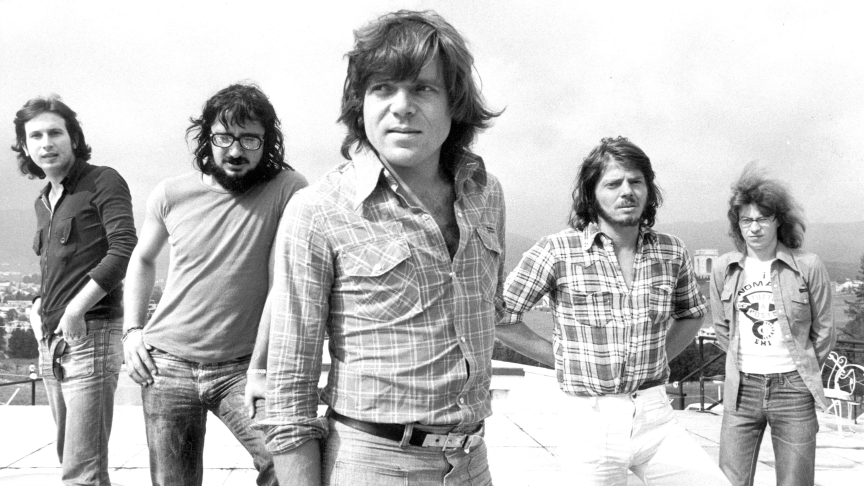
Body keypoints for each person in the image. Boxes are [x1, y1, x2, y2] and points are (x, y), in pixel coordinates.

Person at [260, 10, 503, 486]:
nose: (401, 106)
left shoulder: (484, 193)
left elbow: (487, 311)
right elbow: (288, 392)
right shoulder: (319, 211)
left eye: (423, 89)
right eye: (382, 89)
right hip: (373, 464)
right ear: (360, 103)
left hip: (472, 462)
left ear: (454, 102)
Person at [496, 137, 730, 485]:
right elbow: (500, 318)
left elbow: (692, 313)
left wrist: (658, 358)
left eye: (636, 181)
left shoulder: (671, 251)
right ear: (592, 194)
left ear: (649, 191)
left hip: (656, 418)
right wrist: (563, 359)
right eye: (614, 183)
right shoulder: (558, 250)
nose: (627, 192)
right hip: (590, 423)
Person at [122, 83, 307, 486]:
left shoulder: (288, 190)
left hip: (243, 367)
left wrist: (260, 366)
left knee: (287, 466)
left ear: (266, 142)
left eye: (249, 139)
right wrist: (132, 330)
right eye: (224, 137)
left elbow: (284, 282)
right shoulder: (171, 193)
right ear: (207, 138)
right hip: (167, 364)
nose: (236, 150)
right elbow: (142, 257)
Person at [14, 95, 137, 485]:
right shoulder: (42, 201)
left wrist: (75, 309)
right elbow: (55, 267)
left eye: (55, 132)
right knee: (70, 460)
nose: (46, 143)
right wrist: (38, 304)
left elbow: (123, 248)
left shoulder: (102, 180)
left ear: (73, 137)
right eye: (35, 135)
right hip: (51, 341)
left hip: (91, 334)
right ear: (26, 146)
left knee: (82, 472)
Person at [710, 164, 835, 486]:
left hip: (793, 391)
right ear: (738, 225)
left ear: (779, 220)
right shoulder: (725, 268)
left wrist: (800, 370)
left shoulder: (808, 266)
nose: (755, 228)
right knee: (730, 481)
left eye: (763, 218)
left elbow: (824, 331)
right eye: (746, 220)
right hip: (742, 390)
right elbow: (723, 329)